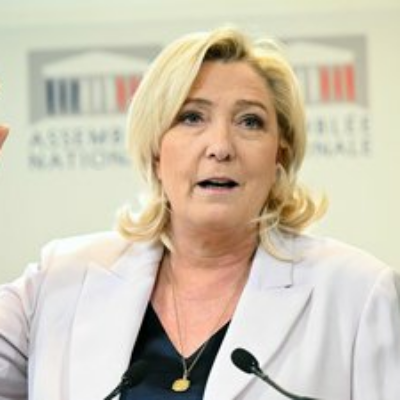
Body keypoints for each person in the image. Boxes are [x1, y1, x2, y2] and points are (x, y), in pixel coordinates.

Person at [0, 26, 399, 400]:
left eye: (250, 121)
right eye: (191, 117)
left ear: (280, 153)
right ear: (156, 151)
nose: (221, 147)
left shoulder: (358, 294)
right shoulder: (61, 279)